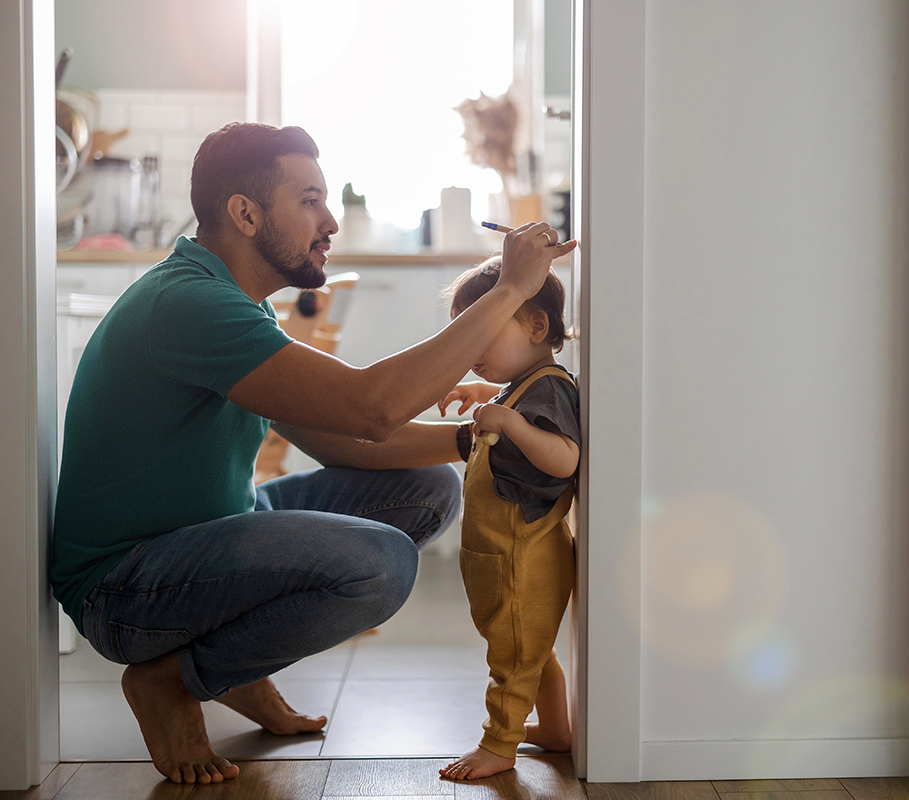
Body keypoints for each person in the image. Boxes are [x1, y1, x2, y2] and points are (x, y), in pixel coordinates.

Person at [49, 122, 576, 785]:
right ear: (245, 214)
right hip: (124, 586)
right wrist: (508, 291)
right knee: (380, 563)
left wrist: (471, 439)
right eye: (309, 201)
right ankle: (174, 680)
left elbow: (333, 438)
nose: (330, 222)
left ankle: (234, 668)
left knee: (430, 486)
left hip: (205, 536)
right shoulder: (192, 304)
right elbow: (369, 408)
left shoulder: (234, 303)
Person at [432, 256, 580, 781]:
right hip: (504, 553)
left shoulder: (549, 387)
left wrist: (510, 423)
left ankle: (498, 745)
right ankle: (556, 730)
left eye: (481, 335)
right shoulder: (527, 384)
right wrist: (486, 398)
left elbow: (565, 458)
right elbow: (516, 409)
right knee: (531, 651)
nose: (468, 351)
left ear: (536, 326)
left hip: (525, 556)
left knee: (514, 658)